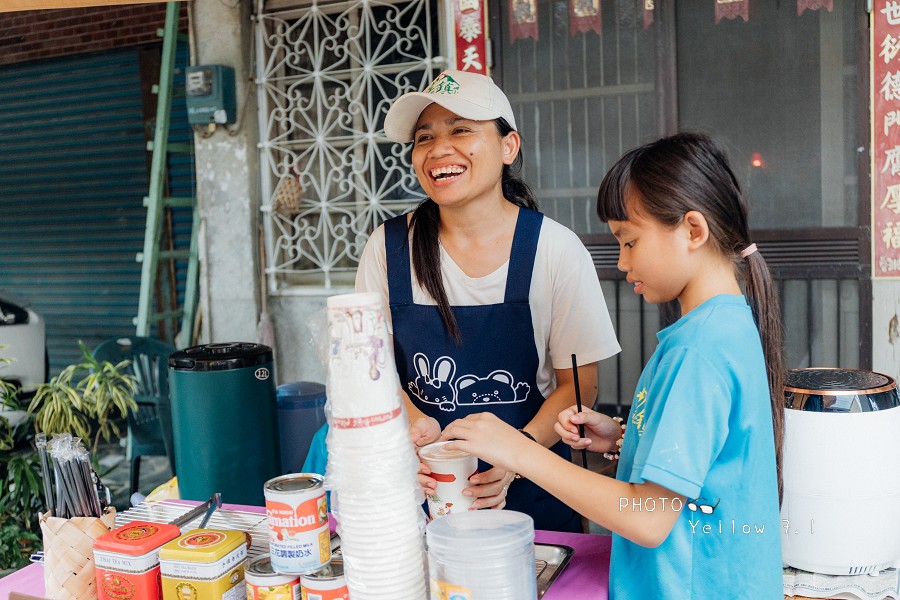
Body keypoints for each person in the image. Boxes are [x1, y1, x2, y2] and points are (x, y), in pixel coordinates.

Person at [442, 132, 784, 597]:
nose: (622, 262)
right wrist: (626, 437)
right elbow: (706, 461)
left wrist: (521, 451)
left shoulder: (696, 351)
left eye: (629, 241)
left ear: (693, 230)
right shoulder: (721, 327)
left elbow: (648, 519)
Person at [355, 70, 621, 532]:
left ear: (508, 147)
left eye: (461, 130)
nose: (439, 150)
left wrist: (515, 454)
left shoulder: (554, 250)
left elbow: (578, 386)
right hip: (421, 491)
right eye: (424, 138)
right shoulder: (386, 249)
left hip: (537, 495)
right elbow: (369, 369)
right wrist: (415, 430)